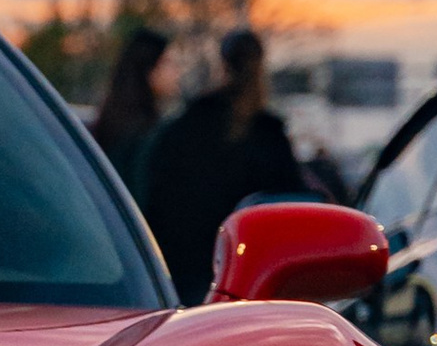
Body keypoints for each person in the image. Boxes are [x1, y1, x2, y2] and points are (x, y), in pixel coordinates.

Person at [137, 24, 313, 303]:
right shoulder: (267, 137)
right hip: (247, 287)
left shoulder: (186, 127)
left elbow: (156, 201)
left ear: (223, 63)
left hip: (176, 281)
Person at [89, 24, 169, 193]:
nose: (176, 71)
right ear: (150, 70)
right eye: (168, 63)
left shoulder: (115, 119)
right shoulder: (145, 134)